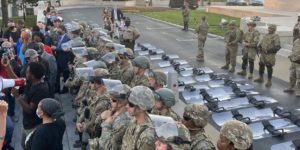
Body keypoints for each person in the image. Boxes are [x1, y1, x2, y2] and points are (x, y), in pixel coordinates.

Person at [11, 62, 50, 149]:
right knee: (24, 145)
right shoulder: (31, 83)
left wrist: (18, 97)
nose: (26, 73)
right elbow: (17, 80)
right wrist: (7, 68)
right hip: (27, 124)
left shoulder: (41, 89)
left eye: (28, 72)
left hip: (34, 126)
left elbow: (29, 109)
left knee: (30, 146)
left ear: (32, 75)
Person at [89, 84, 132, 150]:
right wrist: (101, 117)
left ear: (121, 102)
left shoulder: (124, 121)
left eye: (113, 100)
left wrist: (106, 125)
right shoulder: (113, 110)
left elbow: (110, 146)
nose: (110, 101)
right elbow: (96, 124)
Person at [121, 86, 156, 150]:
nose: (126, 106)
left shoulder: (147, 136)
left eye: (131, 104)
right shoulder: (134, 121)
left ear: (141, 107)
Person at [51, 25, 71, 93]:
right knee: (57, 74)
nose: (57, 30)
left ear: (63, 30)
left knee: (65, 74)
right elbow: (58, 45)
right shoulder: (59, 37)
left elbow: (66, 49)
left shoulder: (67, 38)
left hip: (64, 58)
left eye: (59, 29)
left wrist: (56, 48)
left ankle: (65, 89)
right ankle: (57, 88)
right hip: (58, 58)